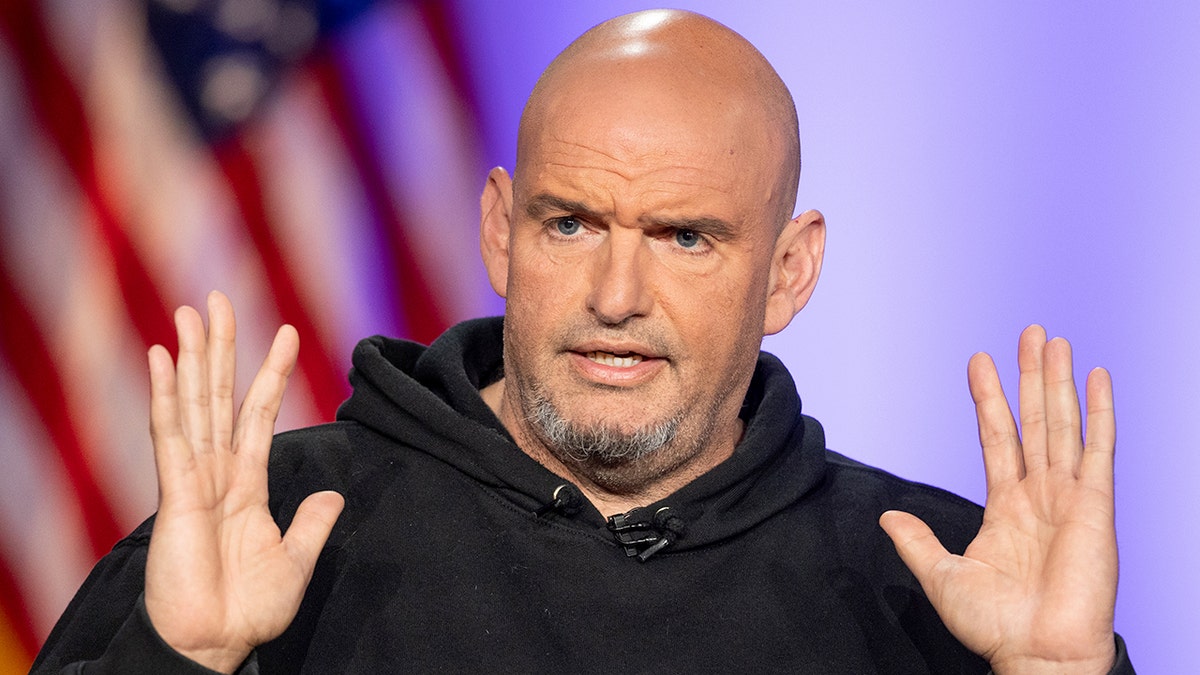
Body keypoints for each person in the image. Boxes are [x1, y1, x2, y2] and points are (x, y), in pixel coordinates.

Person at [33, 9, 1131, 674]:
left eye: (685, 237)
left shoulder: (937, 584)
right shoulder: (269, 529)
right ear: (501, 233)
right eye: (571, 223)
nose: (615, 293)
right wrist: (178, 669)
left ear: (788, 271)